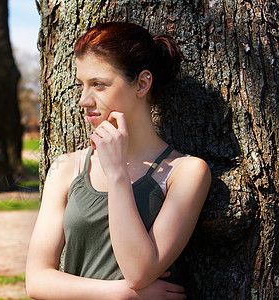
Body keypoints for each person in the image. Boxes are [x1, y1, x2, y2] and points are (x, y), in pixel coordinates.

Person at [26, 22, 211, 299]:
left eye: (99, 85)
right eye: (82, 85)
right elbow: (37, 280)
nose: (83, 100)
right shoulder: (67, 168)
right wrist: (120, 294)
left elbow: (138, 271)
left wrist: (116, 173)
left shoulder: (185, 173)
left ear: (142, 83)